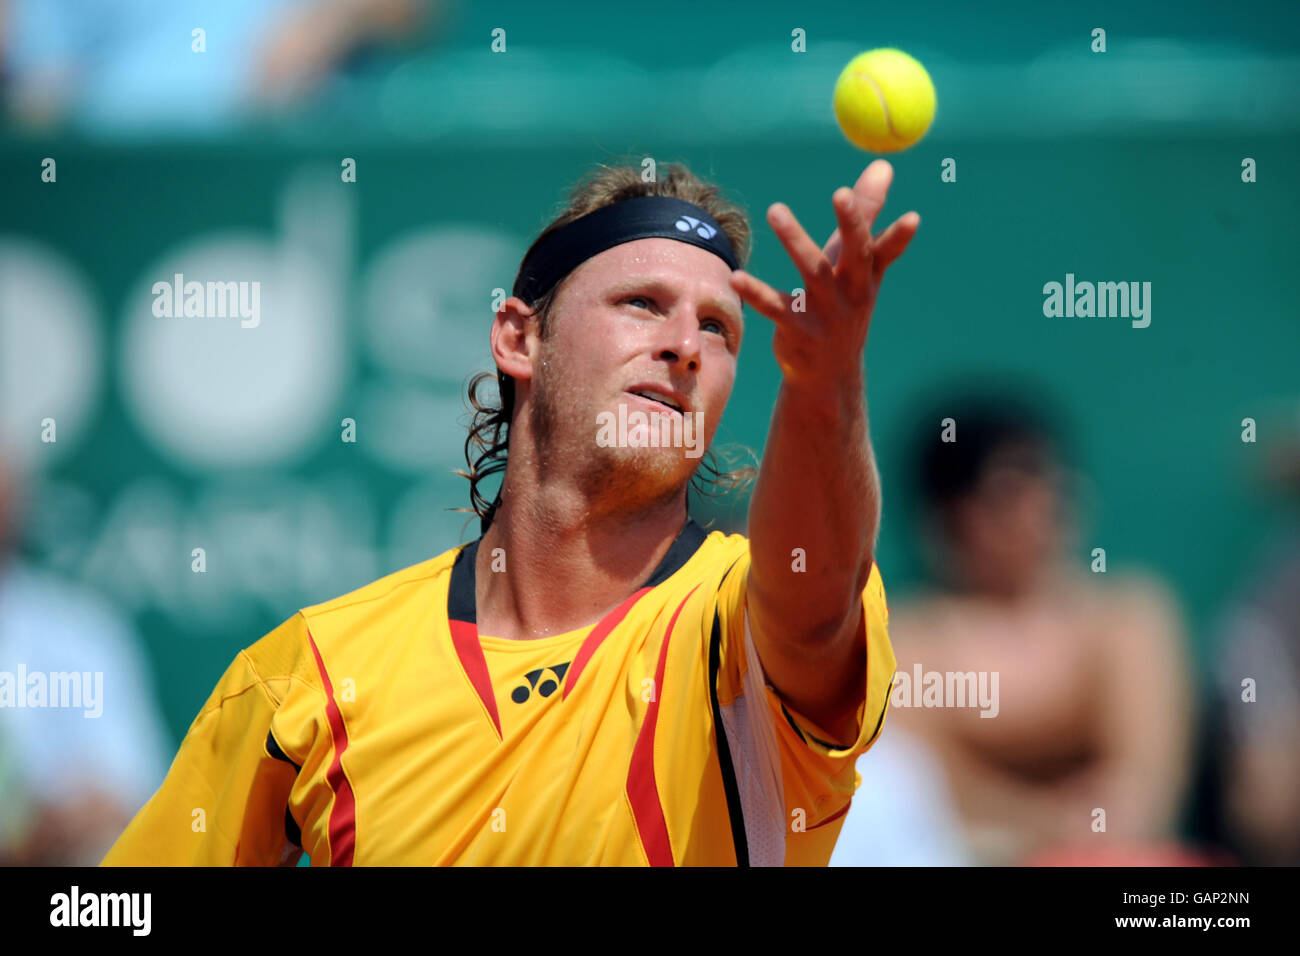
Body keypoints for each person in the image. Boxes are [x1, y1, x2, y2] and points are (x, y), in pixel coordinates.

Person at [101, 158, 920, 866]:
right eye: (641, 303)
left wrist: (824, 382)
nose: (686, 345)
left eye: (719, 327)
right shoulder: (306, 674)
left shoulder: (737, 626)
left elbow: (815, 616)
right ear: (519, 339)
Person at [886, 390, 1194, 866]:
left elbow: (1148, 777)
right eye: (1010, 491)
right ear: (951, 514)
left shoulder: (1128, 615)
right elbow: (920, 795)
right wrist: (1048, 828)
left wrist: (1097, 829)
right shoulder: (906, 636)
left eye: (1050, 481)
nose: (1042, 507)